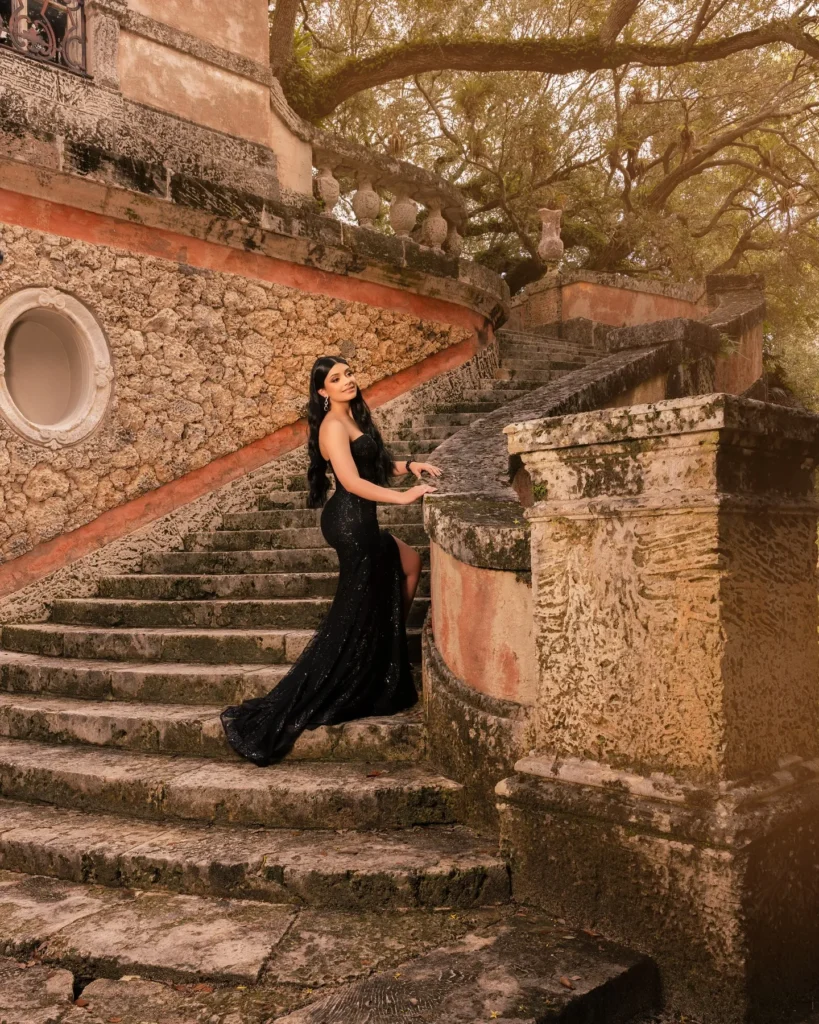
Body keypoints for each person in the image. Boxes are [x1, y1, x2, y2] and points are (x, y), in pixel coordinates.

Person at [220, 355, 441, 766]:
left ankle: (380, 653)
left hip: (361, 518)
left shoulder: (354, 416)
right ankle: (360, 670)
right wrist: (403, 496)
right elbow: (352, 480)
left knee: (410, 564)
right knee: (350, 613)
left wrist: (412, 467)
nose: (346, 381)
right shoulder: (331, 426)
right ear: (322, 391)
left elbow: (372, 465)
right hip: (348, 521)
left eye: (349, 374)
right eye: (335, 379)